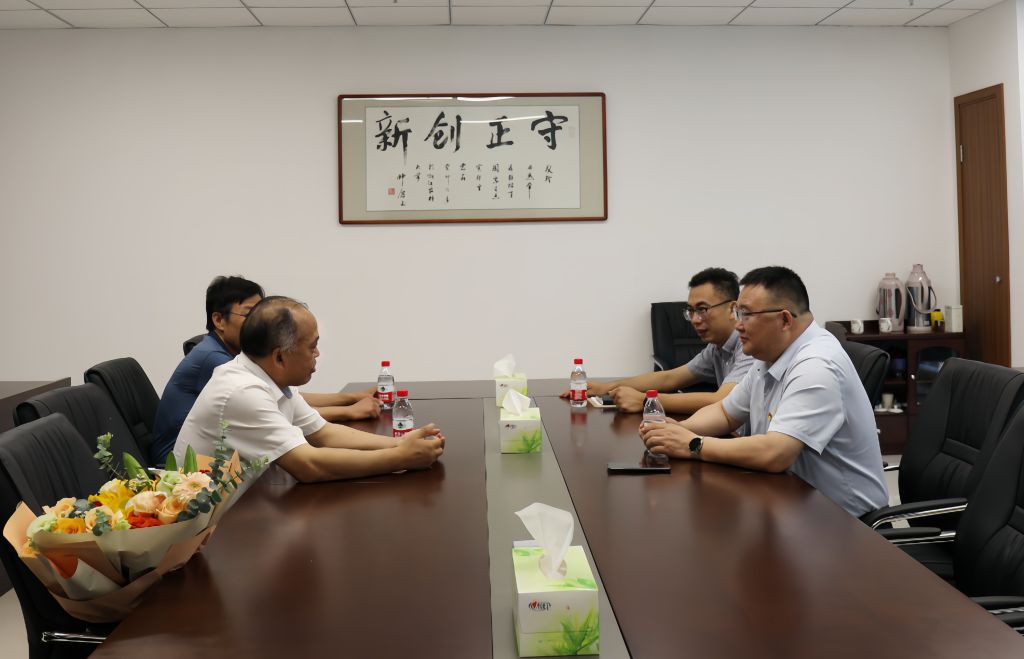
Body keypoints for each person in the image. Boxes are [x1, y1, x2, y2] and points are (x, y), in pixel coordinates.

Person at [640, 266, 888, 518]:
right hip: (791, 501)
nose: (738, 325)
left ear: (784, 320)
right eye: (738, 313)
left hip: (844, 523)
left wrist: (693, 444)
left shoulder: (817, 366)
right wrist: (677, 430)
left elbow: (775, 453)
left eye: (746, 314)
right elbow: (725, 413)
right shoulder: (769, 356)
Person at [173, 296, 444, 481]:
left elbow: (323, 433)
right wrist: (400, 458)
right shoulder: (243, 391)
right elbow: (308, 465)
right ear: (280, 357)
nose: (317, 354)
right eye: (311, 346)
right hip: (208, 525)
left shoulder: (268, 377)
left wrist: (399, 443)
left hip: (247, 504)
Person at [151, 276, 380, 464]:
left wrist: (350, 399)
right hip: (180, 474)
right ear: (219, 320)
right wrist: (348, 409)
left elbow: (292, 408)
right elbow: (269, 410)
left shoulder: (249, 363)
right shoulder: (218, 362)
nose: (261, 322)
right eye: (251, 314)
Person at [561, 267, 753, 415]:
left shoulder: (749, 347)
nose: (695, 319)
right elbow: (669, 378)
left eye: (702, 309)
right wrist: (605, 387)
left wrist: (646, 401)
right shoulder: (716, 347)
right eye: (691, 311)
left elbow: (722, 400)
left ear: (732, 308)